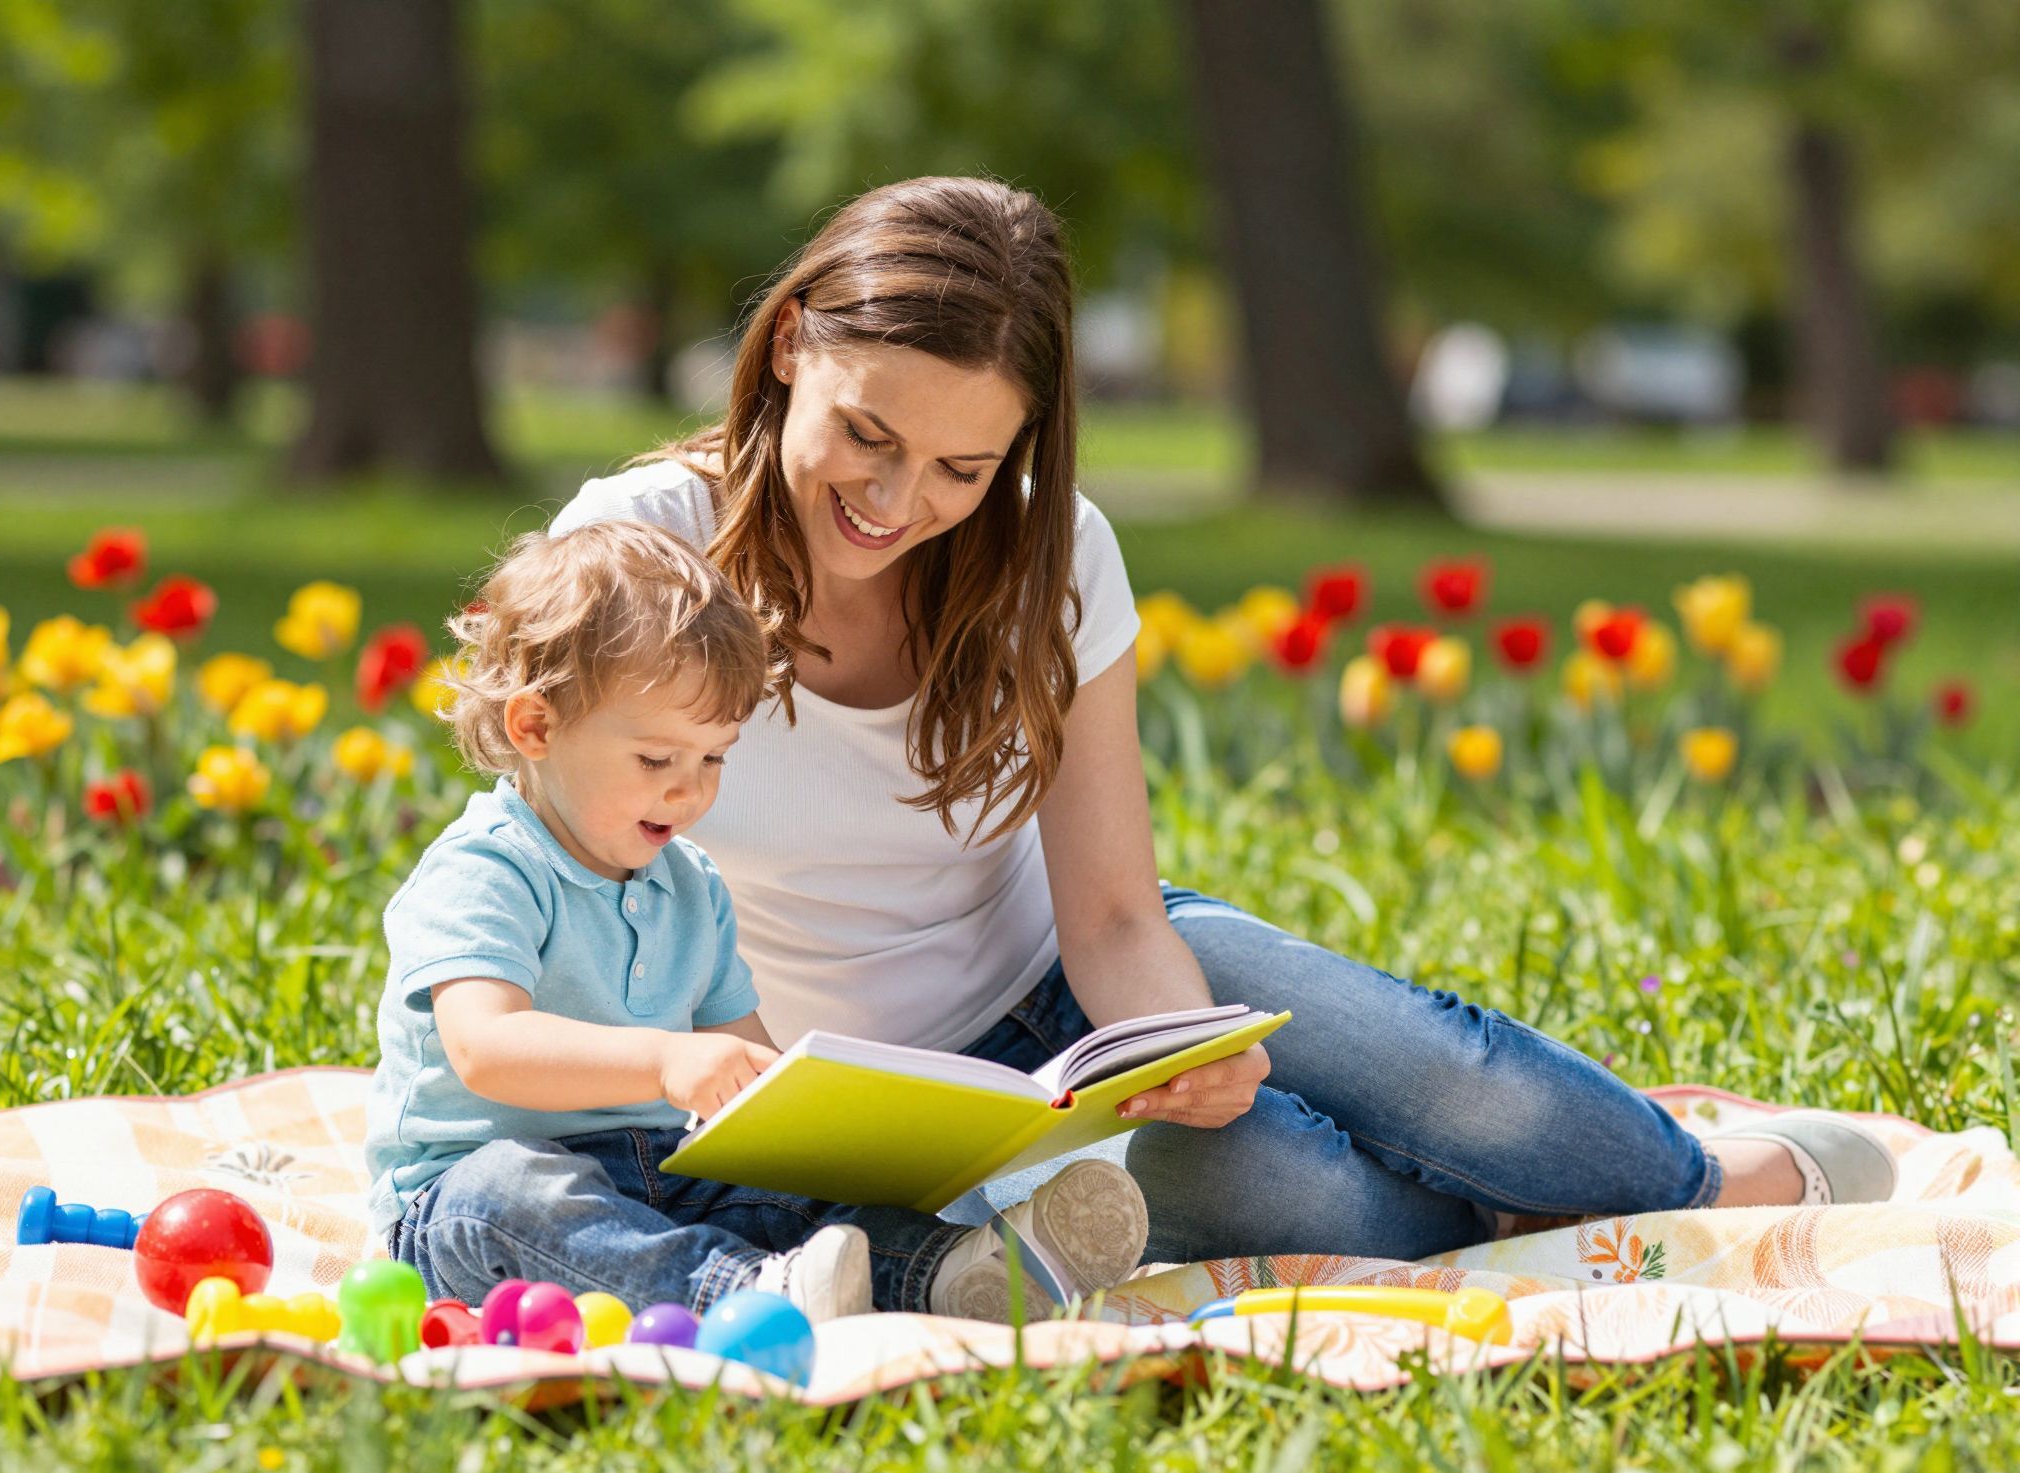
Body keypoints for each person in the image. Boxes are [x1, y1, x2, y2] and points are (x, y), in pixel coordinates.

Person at [551, 175, 1898, 1270]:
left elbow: (1118, 919)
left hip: (1067, 1009)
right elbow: (565, 896)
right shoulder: (634, 552)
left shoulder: (1049, 553)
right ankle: (1526, 1223)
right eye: (867, 435)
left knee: (1441, 1071)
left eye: (963, 467)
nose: (899, 502)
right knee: (1292, 1194)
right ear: (792, 343)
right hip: (844, 1100)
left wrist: (1180, 1053)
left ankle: (1705, 1182)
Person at [363, 518, 1151, 1323]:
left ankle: (952, 1271)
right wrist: (666, 1062)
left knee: (784, 1192)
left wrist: (840, 1128)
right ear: (535, 727)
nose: (690, 791)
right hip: (463, 1207)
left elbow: (752, 1064)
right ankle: (746, 1294)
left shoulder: (689, 885)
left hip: (664, 1173)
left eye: (713, 758)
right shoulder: (489, 868)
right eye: (656, 760)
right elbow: (485, 1049)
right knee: (513, 1192)